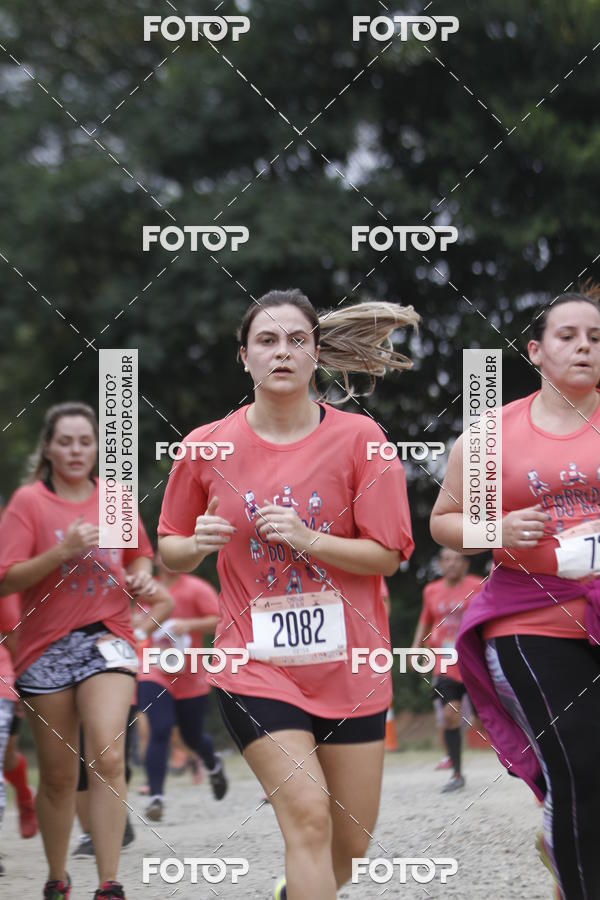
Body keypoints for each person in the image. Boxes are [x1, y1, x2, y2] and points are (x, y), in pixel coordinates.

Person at [158, 289, 418, 900]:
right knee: (307, 814)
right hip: (255, 664)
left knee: (349, 847)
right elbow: (168, 547)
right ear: (243, 356)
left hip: (350, 663)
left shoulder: (361, 440)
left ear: (317, 354)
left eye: (297, 340)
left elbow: (389, 556)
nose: (282, 353)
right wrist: (195, 542)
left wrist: (309, 539)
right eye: (267, 341)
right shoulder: (206, 446)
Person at [430, 288, 600, 900]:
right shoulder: (490, 436)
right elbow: (444, 522)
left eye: (596, 337)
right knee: (578, 765)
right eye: (568, 336)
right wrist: (495, 529)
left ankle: (563, 848)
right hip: (529, 617)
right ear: (536, 350)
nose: (584, 346)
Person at [0, 402, 172, 900]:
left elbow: (139, 555)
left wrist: (142, 574)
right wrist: (59, 552)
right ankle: (57, 878)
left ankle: (109, 884)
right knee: (56, 776)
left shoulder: (114, 499)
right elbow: (6, 577)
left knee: (108, 754)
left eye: (85, 441)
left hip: (107, 635)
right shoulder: (29, 504)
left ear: (96, 448)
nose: (76, 450)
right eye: (66, 441)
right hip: (45, 645)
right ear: (49, 449)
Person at [135, 552, 226, 822]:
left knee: (191, 736)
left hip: (189, 672)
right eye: (162, 555)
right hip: (153, 669)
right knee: (159, 729)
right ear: (154, 559)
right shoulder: (146, 589)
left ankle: (213, 764)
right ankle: (156, 797)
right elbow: (132, 621)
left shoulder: (196, 588)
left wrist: (189, 624)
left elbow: (219, 618)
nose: (167, 560)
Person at [412, 548, 481, 791]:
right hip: (444, 663)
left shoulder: (478, 586)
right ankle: (457, 774)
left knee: (484, 719)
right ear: (440, 564)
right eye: (446, 560)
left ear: (465, 564)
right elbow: (424, 619)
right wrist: (415, 648)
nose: (451, 564)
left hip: (474, 661)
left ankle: (525, 762)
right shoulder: (431, 590)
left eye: (456, 560)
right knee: (450, 716)